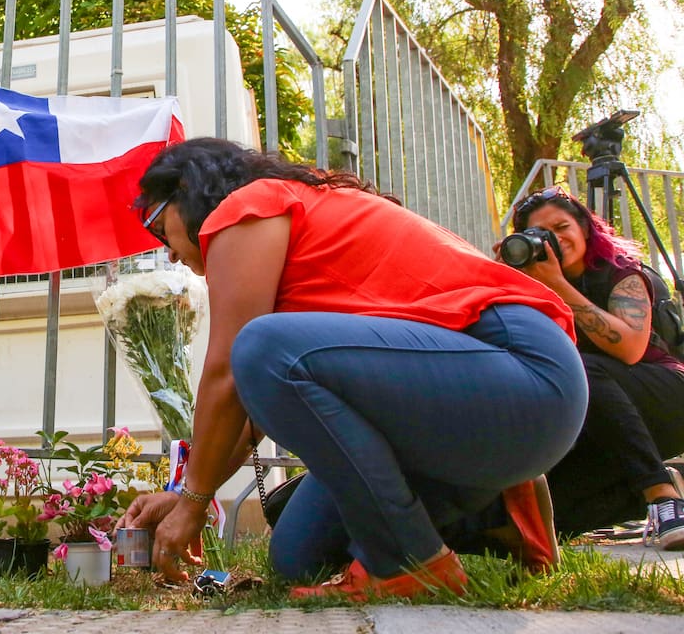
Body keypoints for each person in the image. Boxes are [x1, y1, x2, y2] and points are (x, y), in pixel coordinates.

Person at [118, 138, 587, 600]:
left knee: (259, 345)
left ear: (191, 190)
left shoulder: (251, 205)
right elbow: (252, 413)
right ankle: (498, 512)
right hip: (472, 420)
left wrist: (196, 502)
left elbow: (231, 371)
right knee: (298, 555)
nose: (172, 254)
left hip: (521, 371)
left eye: (160, 230)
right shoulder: (288, 265)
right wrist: (183, 496)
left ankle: (413, 564)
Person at [506, 186, 684, 548]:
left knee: (577, 367)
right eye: (540, 234)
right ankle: (672, 482)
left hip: (666, 397)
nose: (554, 239)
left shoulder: (619, 272)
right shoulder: (528, 286)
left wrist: (556, 284)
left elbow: (632, 349)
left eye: (561, 227)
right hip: (606, 422)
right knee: (553, 519)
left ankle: (662, 494)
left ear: (584, 229)